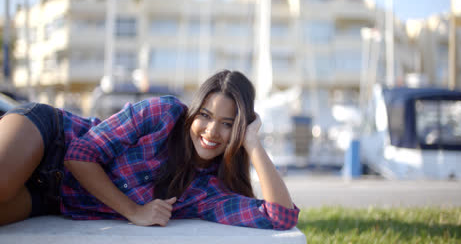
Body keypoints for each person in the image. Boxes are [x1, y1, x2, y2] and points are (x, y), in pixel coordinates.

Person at [0, 70, 299, 229]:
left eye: (227, 124)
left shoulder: (209, 190)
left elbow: (280, 218)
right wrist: (135, 211)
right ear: (194, 112)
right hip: (50, 138)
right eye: (205, 116)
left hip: (52, 198)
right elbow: (80, 155)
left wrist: (254, 144)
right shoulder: (163, 113)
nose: (211, 131)